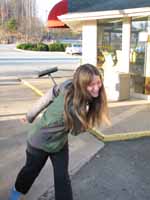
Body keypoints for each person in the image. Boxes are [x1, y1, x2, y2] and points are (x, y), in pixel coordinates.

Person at [9, 63, 110, 200]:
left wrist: (29, 115)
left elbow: (48, 95)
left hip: (59, 143)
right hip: (39, 141)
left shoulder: (68, 84)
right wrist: (85, 122)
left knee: (62, 177)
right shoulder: (75, 109)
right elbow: (75, 131)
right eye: (91, 85)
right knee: (31, 171)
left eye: (98, 82)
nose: (97, 87)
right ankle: (16, 192)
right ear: (81, 84)